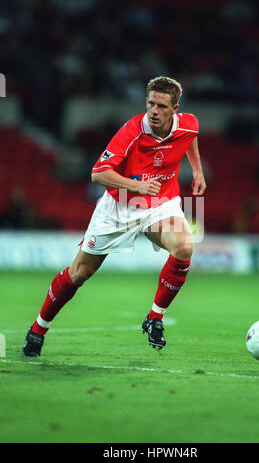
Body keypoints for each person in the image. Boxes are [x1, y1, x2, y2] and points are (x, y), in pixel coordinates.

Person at [22, 76, 207, 356]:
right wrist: (136, 185)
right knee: (80, 272)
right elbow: (98, 174)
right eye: (150, 104)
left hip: (161, 202)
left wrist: (197, 170)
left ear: (175, 109)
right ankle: (38, 330)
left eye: (161, 106)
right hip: (120, 205)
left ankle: (155, 317)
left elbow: (189, 139)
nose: (154, 111)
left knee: (184, 246)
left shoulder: (189, 123)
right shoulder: (132, 131)